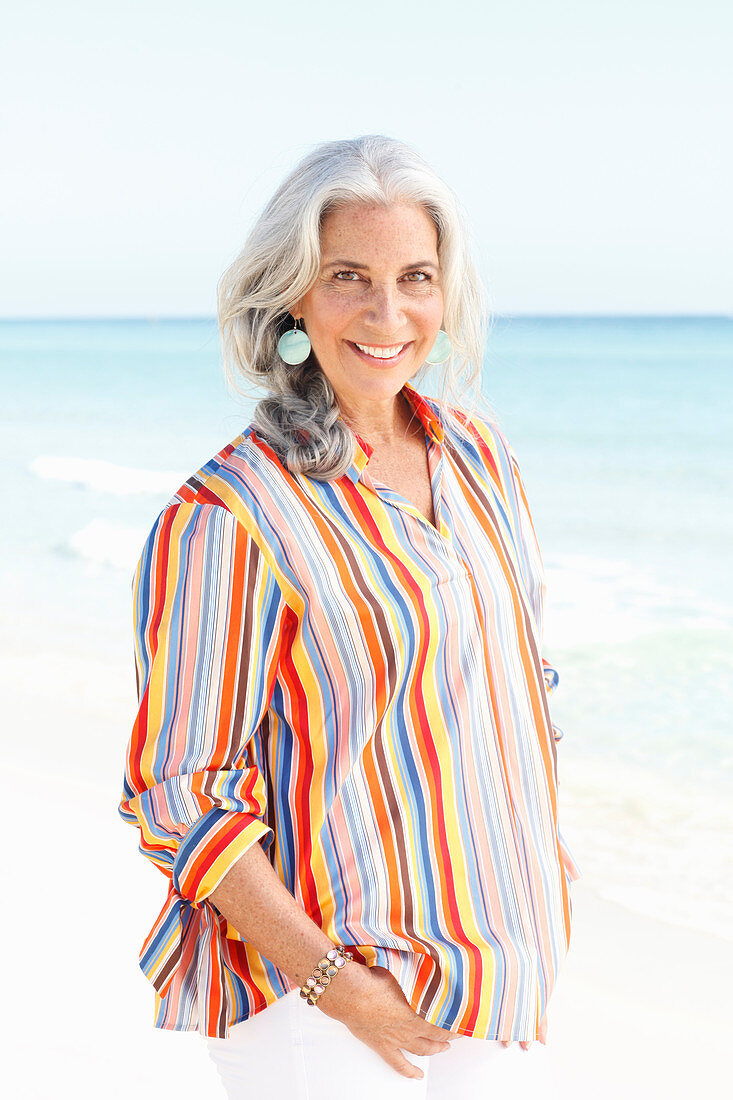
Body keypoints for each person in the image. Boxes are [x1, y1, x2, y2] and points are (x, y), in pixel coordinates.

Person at [118, 134, 580, 1099]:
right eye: (347, 278)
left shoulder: (479, 460)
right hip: (329, 1013)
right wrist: (333, 986)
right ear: (293, 295)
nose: (387, 312)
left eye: (416, 276)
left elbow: (519, 684)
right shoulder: (229, 517)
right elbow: (181, 791)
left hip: (497, 976)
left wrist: (548, 871)